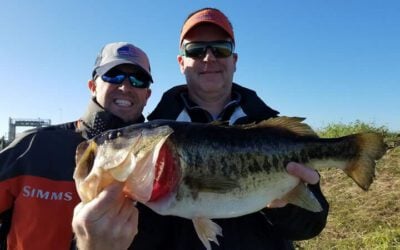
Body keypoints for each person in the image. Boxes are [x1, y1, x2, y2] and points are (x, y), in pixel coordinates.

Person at [72, 7, 329, 250]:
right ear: (181, 62)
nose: (208, 58)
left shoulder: (276, 134)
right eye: (195, 50)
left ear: (234, 60)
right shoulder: (148, 144)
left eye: (220, 49)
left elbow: (311, 226)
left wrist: (287, 205)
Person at [0, 42, 153, 250]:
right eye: (113, 76)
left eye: (138, 80)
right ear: (92, 86)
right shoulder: (33, 148)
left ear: (147, 95)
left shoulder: (159, 160)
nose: (126, 87)